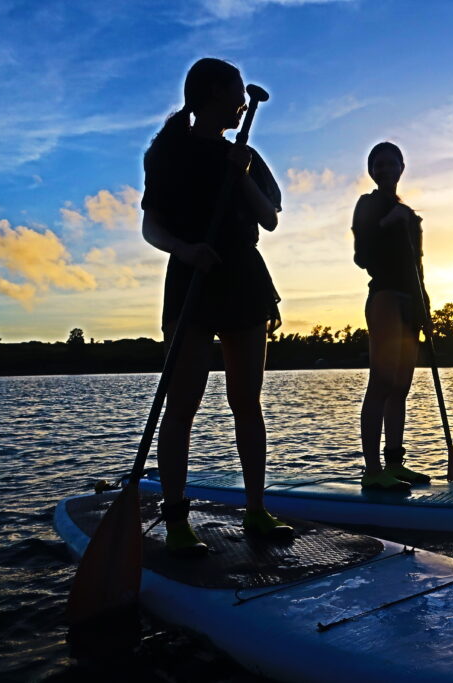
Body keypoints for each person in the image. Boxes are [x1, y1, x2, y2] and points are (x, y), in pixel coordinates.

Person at [141, 58, 291, 555]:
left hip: (243, 279)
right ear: (209, 95)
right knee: (181, 404)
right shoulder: (169, 153)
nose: (242, 103)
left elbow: (269, 219)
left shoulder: (242, 154)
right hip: (192, 278)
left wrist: (242, 175)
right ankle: (177, 517)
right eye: (234, 93)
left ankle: (256, 509)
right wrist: (185, 251)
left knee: (246, 402)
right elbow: (152, 226)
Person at [352, 142, 434, 491]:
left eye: (390, 163)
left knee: (401, 387)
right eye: (378, 164)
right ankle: (372, 470)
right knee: (382, 382)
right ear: (372, 170)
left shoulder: (410, 215)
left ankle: (395, 463)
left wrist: (426, 310)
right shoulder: (369, 205)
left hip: (411, 302)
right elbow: (362, 256)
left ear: (402, 167)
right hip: (384, 297)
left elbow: (418, 267)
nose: (385, 169)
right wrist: (387, 221)